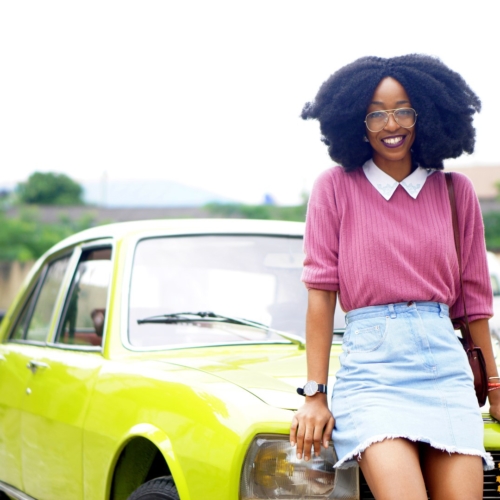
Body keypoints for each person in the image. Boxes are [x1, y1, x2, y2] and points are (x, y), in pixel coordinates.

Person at [289, 54, 500, 500]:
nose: (391, 124)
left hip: (444, 367)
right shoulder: (335, 187)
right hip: (373, 372)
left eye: (404, 109)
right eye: (376, 113)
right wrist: (315, 394)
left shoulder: (454, 191)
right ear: (356, 123)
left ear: (426, 113)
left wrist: (496, 387)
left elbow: (474, 303)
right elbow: (322, 298)